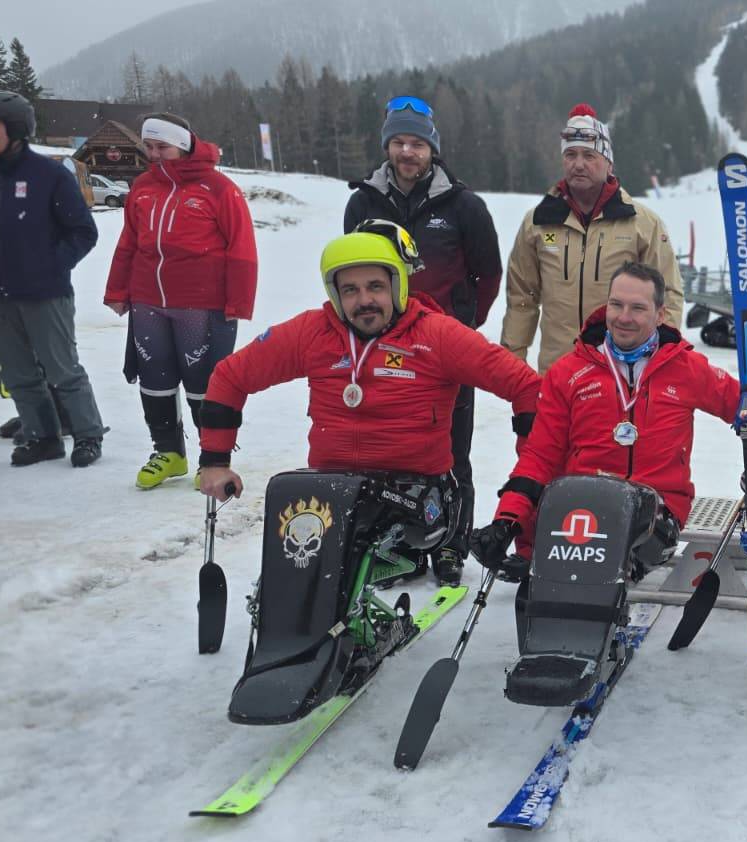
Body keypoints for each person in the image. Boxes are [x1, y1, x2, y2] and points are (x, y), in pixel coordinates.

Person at [196, 223, 541, 558]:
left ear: (397, 286)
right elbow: (230, 376)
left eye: (375, 287)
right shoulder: (312, 333)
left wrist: (529, 471)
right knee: (293, 549)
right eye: (350, 290)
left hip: (416, 500)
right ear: (336, 294)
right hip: (334, 491)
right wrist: (214, 462)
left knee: (345, 558)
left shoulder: (437, 336)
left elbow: (526, 386)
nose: (364, 300)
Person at [472, 261, 741, 574]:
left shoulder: (686, 368)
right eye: (616, 304)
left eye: (638, 308)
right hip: (584, 502)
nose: (624, 317)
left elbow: (745, 406)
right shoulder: (569, 372)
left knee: (616, 556)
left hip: (656, 507)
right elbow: (540, 456)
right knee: (560, 568)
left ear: (660, 314)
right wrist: (507, 521)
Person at [344, 95, 503, 585]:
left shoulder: (464, 205)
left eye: (417, 143)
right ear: (387, 147)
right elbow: (351, 271)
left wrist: (462, 325)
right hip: (382, 347)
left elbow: (489, 274)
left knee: (452, 450)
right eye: (399, 142)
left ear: (432, 148)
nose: (407, 152)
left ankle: (452, 543)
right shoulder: (363, 202)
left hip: (446, 349)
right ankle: (402, 544)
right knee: (392, 452)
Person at [104, 112, 257, 489]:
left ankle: (212, 458)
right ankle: (168, 452)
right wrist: (117, 290)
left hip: (201, 304)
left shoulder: (219, 189)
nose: (155, 154)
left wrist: (238, 302)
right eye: (149, 146)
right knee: (154, 378)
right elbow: (128, 242)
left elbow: (241, 248)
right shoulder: (142, 187)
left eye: (163, 147)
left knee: (204, 383)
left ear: (184, 146)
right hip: (147, 300)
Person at [501, 104, 683, 371]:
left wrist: (660, 361)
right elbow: (521, 299)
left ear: (608, 163)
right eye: (570, 154)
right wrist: (512, 367)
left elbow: (667, 296)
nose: (578, 164)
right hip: (557, 373)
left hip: (620, 373)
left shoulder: (642, 224)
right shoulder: (537, 223)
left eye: (589, 155)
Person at [0, 90, 107, 468]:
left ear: (16, 129)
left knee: (62, 370)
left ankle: (88, 434)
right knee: (18, 373)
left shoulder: (48, 175)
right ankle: (42, 437)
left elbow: (83, 232)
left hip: (45, 294)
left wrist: (49, 266)